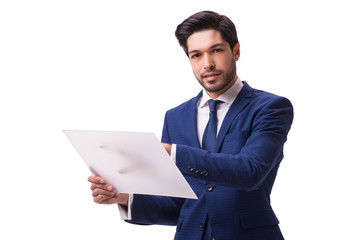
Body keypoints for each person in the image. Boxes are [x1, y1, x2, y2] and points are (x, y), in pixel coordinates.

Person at [88, 10, 293, 240]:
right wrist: (125, 197)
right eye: (196, 55)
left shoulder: (270, 107)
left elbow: (250, 171)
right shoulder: (175, 117)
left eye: (216, 50)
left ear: (235, 51)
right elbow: (180, 206)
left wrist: (172, 153)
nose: (208, 64)